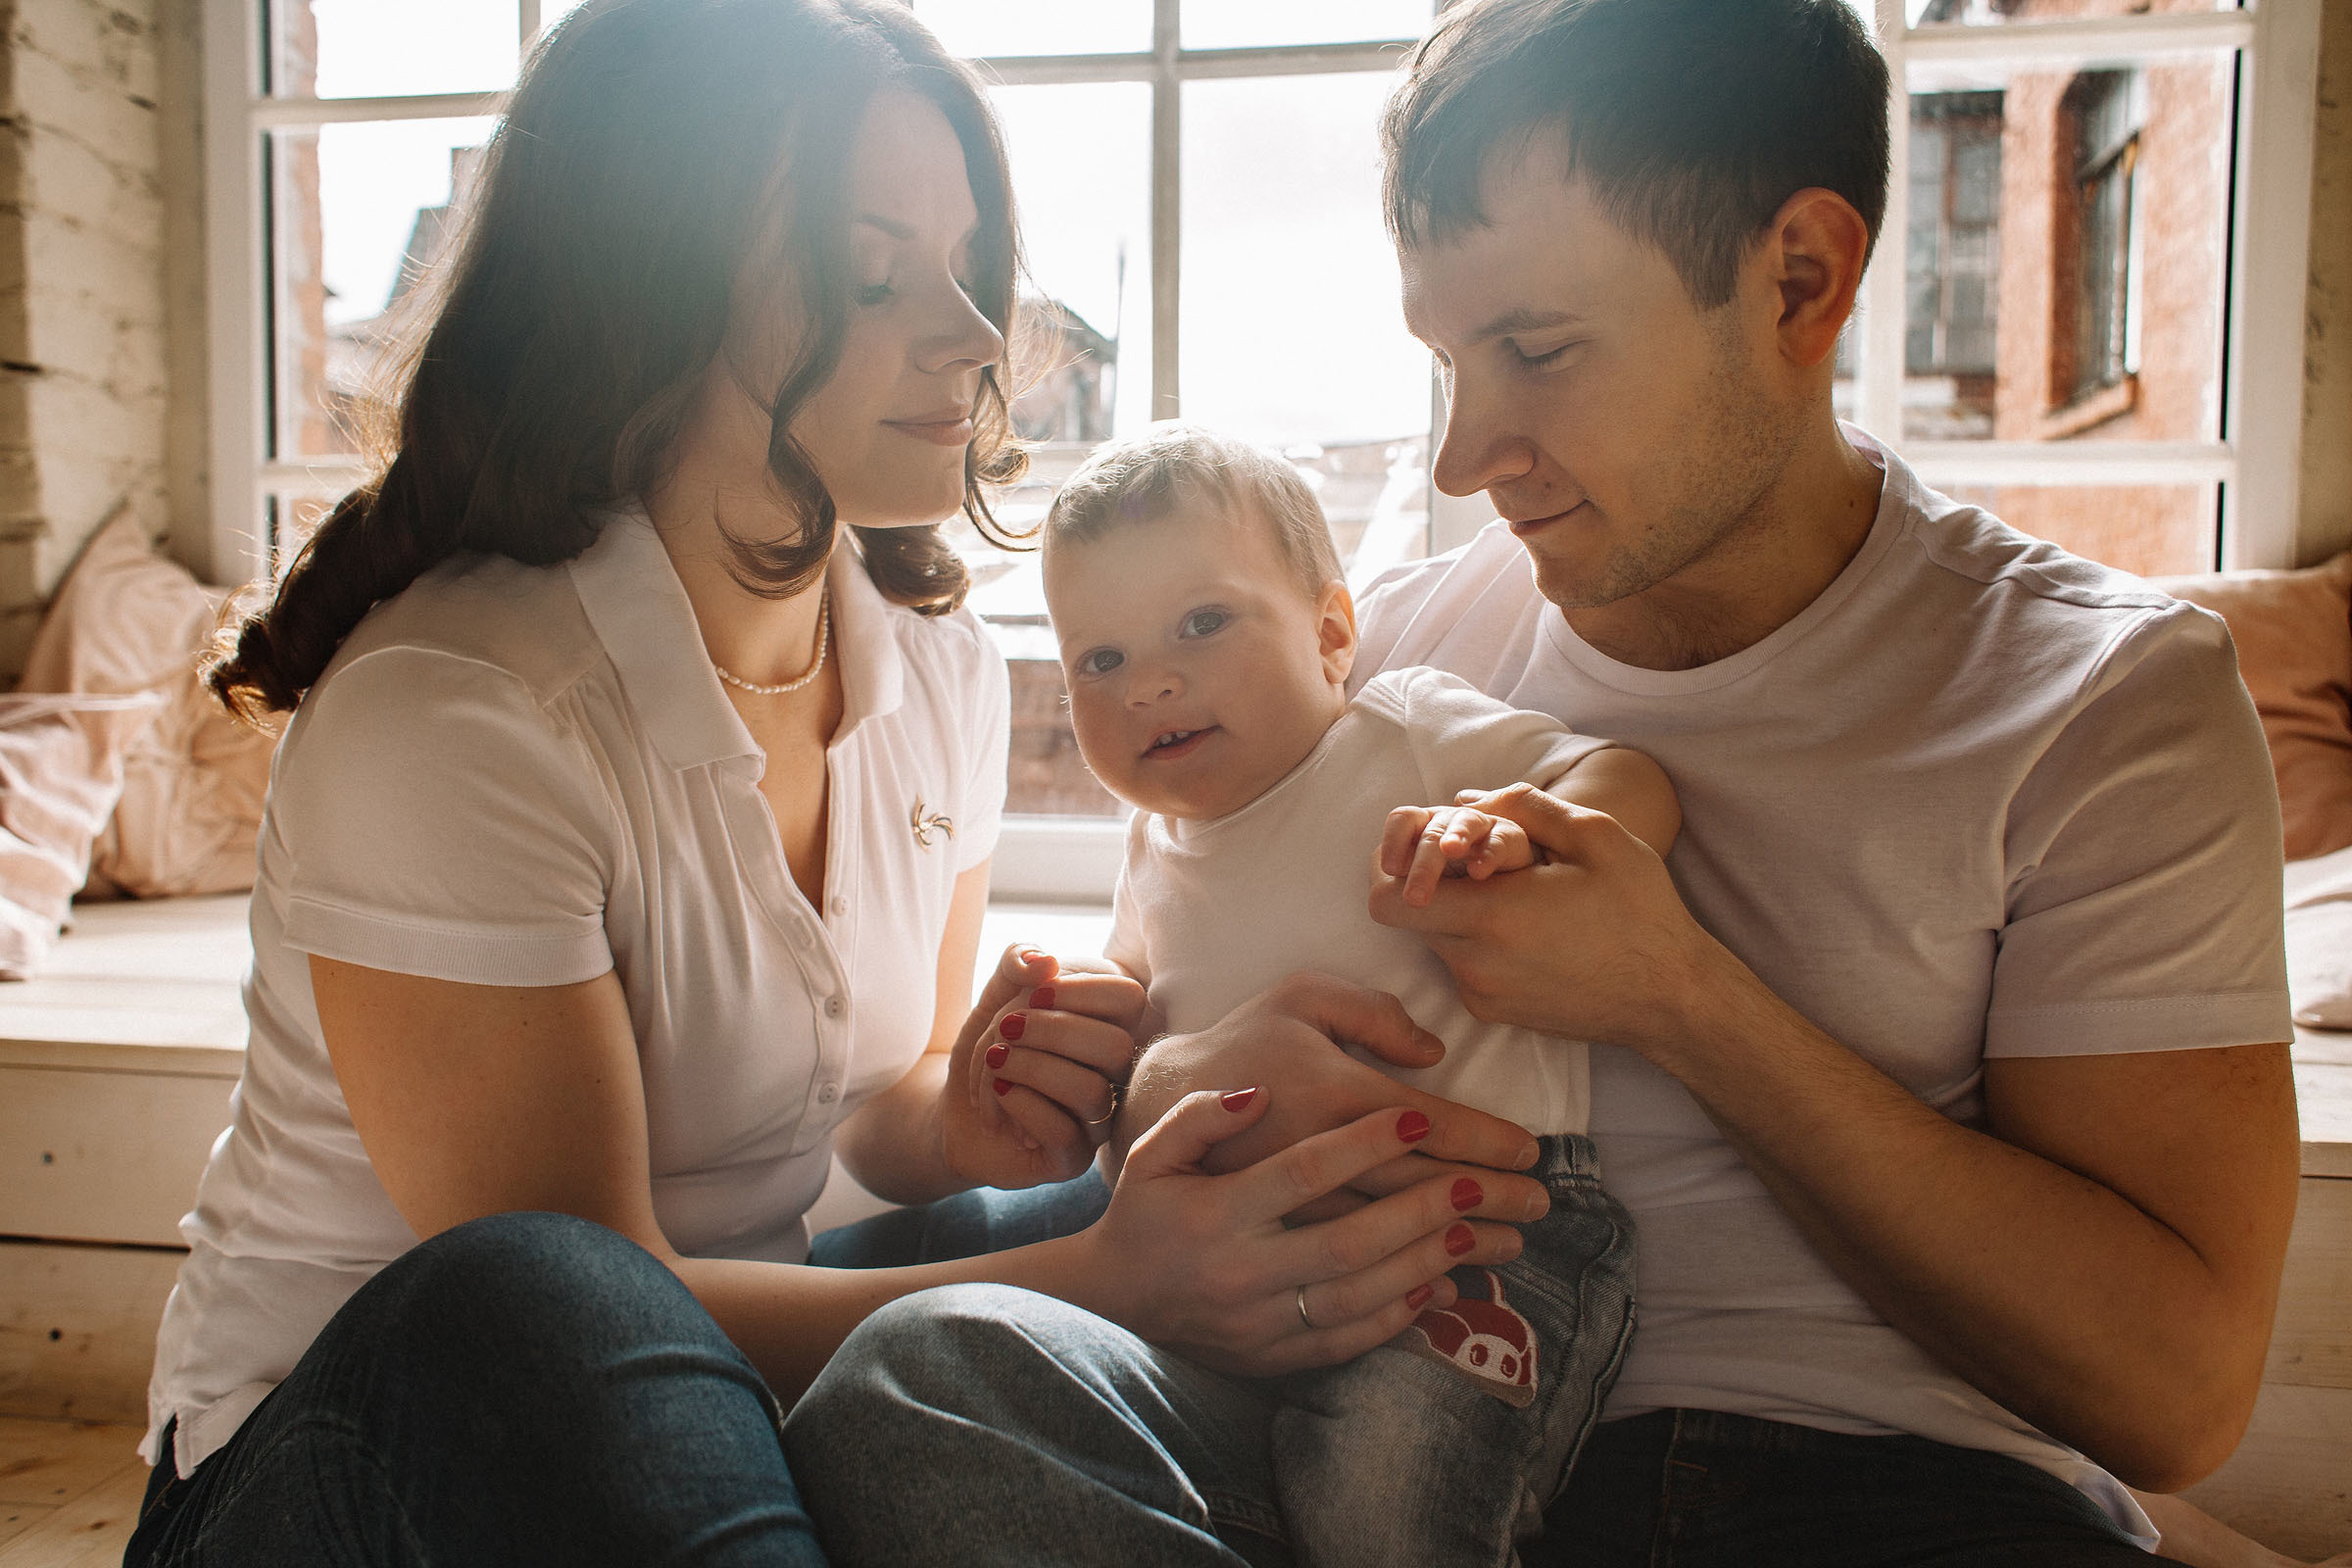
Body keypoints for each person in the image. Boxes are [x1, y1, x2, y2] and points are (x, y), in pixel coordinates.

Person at [782, 0, 2306, 1563]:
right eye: (1448, 360)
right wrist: (1169, 1081)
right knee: (913, 1390)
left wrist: (1684, 998)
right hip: (1329, 1425)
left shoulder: (2100, 698)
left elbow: (2173, 1400)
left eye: (1538, 351)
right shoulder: (1378, 653)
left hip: (1871, 1493)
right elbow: (1190, 965)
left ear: (1800, 279)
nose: (1463, 456)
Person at [122, 3, 1545, 1564]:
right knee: (546, 1290)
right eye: (876, 277)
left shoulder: (931, 662)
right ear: (650, 302)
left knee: (1168, 1192)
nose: (976, 334)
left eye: (966, 262)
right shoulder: (458, 713)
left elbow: (882, 1112)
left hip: (723, 1367)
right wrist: (1116, 1281)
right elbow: (607, 1299)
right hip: (376, 1460)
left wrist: (1005, 1105)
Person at [1035, 423, 1678, 1567]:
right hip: (1245, 1265)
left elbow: (1624, 778)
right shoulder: (1149, 848)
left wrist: (1514, 835)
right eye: (1101, 659)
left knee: (1383, 1500)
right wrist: (1064, 1027)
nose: (1152, 685)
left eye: (1202, 623)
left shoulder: (1405, 734)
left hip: (1482, 1230)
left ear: (1332, 634)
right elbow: (1134, 1037)